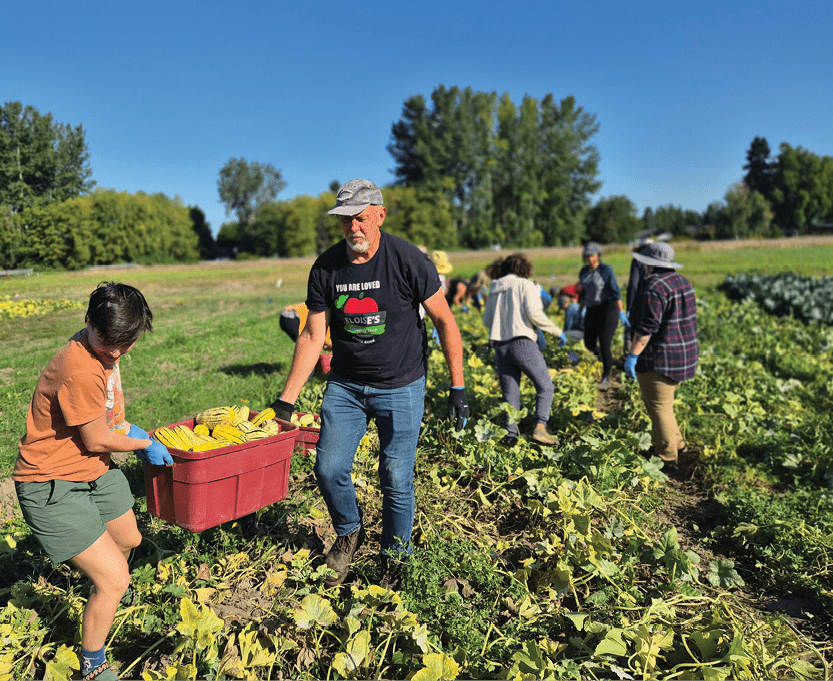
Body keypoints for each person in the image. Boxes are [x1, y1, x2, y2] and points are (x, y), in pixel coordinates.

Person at [267, 179, 467, 587]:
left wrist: (458, 387)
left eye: (360, 218)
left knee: (395, 474)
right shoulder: (326, 267)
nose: (352, 227)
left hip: (402, 385)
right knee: (328, 466)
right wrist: (285, 401)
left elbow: (446, 322)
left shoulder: (409, 261)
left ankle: (395, 556)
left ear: (379, 215)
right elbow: (311, 335)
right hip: (346, 387)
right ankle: (348, 532)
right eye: (344, 220)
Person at [13, 282, 173, 681]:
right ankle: (93, 662)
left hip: (92, 469)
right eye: (108, 343)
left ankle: (101, 588)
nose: (116, 352)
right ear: (88, 322)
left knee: (130, 540)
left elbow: (105, 421)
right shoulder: (79, 366)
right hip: (50, 483)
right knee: (115, 576)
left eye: (125, 343)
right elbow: (97, 437)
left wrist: (127, 426)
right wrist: (143, 443)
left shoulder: (106, 350)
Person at [623, 242, 698, 472]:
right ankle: (680, 448)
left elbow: (647, 328)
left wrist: (632, 356)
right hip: (684, 355)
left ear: (648, 264)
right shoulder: (683, 282)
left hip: (661, 358)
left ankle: (667, 459)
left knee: (658, 408)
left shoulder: (653, 287)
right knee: (665, 406)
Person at [483, 254, 567, 446]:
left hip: (500, 347)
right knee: (545, 386)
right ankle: (540, 427)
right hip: (523, 343)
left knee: (510, 396)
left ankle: (510, 437)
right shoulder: (525, 285)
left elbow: (487, 320)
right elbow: (534, 313)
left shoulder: (494, 289)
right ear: (524, 269)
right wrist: (556, 331)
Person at [578, 242, 630, 390]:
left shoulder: (605, 270)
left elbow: (615, 292)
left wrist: (621, 312)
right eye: (587, 256)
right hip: (592, 309)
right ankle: (606, 357)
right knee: (589, 342)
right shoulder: (583, 272)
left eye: (593, 255)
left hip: (609, 308)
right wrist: (579, 309)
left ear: (598, 255)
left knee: (605, 341)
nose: (590, 259)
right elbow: (583, 293)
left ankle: (606, 376)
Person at [623, 241, 652, 354]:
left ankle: (630, 357)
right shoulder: (658, 262)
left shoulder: (638, 261)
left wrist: (629, 307)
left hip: (639, 302)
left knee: (633, 332)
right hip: (654, 301)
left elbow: (633, 285)